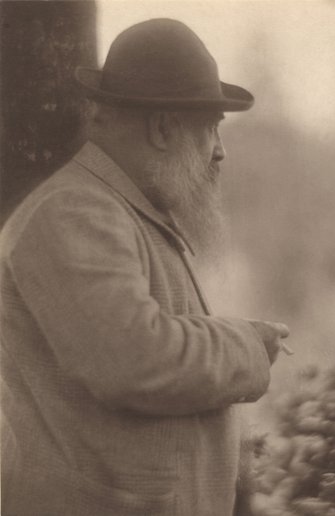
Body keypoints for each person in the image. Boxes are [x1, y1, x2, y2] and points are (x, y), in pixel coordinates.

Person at [0, 18, 290, 516]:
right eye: (212, 127)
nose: (219, 151)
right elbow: (132, 362)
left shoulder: (117, 209)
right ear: (162, 127)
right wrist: (248, 344)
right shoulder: (73, 212)